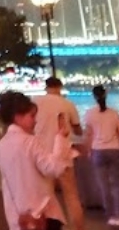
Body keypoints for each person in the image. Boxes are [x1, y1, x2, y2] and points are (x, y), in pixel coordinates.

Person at [0, 91, 73, 230]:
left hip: (19, 217)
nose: (35, 120)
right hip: (42, 213)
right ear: (18, 117)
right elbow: (53, 168)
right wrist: (60, 138)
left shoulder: (2, 145)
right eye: (31, 116)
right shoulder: (30, 142)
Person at [33, 77, 84, 227]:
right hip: (63, 155)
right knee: (72, 197)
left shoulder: (35, 102)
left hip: (41, 156)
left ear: (46, 87)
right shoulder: (67, 104)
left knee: (44, 199)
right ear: (60, 87)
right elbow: (78, 130)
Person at [84, 85, 119, 226]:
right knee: (117, 184)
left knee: (103, 185)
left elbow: (89, 135)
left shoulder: (89, 113)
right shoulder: (114, 113)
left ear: (94, 96)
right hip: (114, 149)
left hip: (98, 150)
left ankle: (110, 215)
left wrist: (88, 151)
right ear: (106, 95)